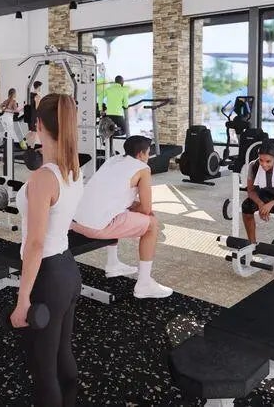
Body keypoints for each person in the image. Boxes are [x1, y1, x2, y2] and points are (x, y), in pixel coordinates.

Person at [12, 94, 84, 407]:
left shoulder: (43, 178)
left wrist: (23, 299)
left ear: (39, 124)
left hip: (48, 277)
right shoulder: (73, 170)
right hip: (68, 271)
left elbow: (36, 243)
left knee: (43, 367)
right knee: (62, 352)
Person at [71, 135, 172, 299]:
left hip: (76, 222)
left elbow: (115, 196)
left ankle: (113, 264)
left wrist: (132, 205)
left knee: (119, 210)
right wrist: (139, 208)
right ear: (141, 154)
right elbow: (146, 209)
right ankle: (144, 284)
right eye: (148, 153)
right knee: (152, 224)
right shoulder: (142, 168)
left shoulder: (113, 160)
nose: (148, 157)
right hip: (96, 227)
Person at [24, 80, 44, 148]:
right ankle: (31, 147)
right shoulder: (37, 96)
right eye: (40, 87)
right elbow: (37, 108)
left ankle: (27, 144)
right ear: (38, 87)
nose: (40, 88)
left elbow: (25, 104)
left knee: (32, 132)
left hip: (29, 116)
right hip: (34, 116)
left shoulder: (29, 94)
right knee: (34, 133)